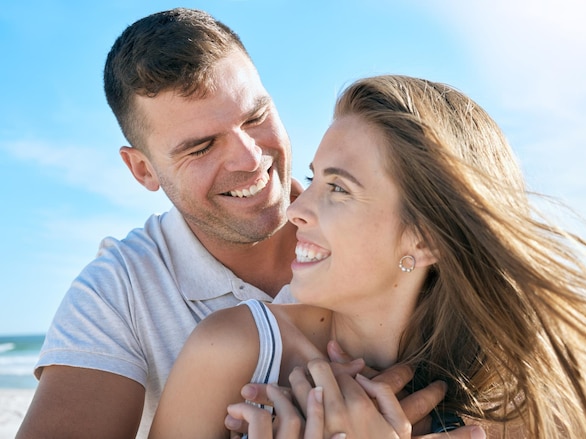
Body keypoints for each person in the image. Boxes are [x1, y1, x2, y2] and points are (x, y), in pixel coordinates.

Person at [16, 8, 477, 439]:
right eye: (201, 147)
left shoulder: (393, 244)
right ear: (143, 170)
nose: (250, 159)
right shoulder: (121, 292)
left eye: (256, 117)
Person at [148, 75, 586, 439]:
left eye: (338, 188)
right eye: (314, 180)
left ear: (426, 240)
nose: (295, 210)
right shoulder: (233, 350)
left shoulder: (522, 404)